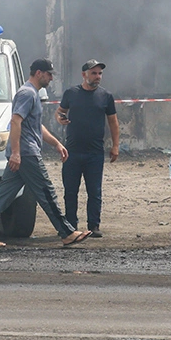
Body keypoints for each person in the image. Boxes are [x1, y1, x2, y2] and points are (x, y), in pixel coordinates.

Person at [0, 59, 91, 248]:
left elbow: (36, 126)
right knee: (47, 192)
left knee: (3, 195)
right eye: (49, 74)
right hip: (26, 154)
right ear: (39, 73)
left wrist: (56, 144)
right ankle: (67, 232)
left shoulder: (32, 94)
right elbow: (15, 122)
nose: (51, 78)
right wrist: (16, 153)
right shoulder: (27, 93)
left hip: (23, 153)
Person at [55, 59, 120, 237]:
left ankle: (94, 226)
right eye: (94, 73)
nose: (97, 77)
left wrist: (115, 145)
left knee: (95, 191)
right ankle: (70, 226)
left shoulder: (106, 96)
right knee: (70, 190)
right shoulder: (71, 93)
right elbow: (60, 111)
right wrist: (60, 118)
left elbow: (113, 122)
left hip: (95, 152)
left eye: (100, 73)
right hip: (72, 151)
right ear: (84, 75)